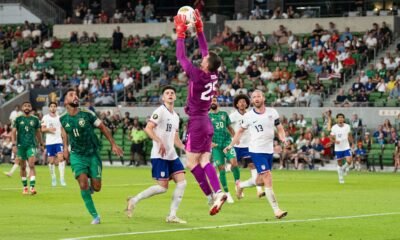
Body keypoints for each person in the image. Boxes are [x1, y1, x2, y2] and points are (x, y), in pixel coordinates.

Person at [175, 10, 227, 216]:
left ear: (206, 66)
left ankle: (212, 194)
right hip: (206, 121)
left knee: (191, 163)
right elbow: (205, 51)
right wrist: (199, 31)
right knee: (204, 161)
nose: (202, 59)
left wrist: (180, 34)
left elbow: (181, 56)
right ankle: (216, 193)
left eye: (204, 60)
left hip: (197, 122)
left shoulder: (197, 74)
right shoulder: (214, 75)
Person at [60, 88, 123, 224]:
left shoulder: (87, 114)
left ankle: (91, 184)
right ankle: (95, 216)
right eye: (71, 95)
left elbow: (102, 128)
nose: (75, 96)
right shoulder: (63, 118)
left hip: (92, 154)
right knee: (82, 184)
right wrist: (65, 148)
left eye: (76, 94)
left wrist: (113, 144)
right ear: (66, 101)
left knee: (97, 187)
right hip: (77, 155)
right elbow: (64, 131)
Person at [126, 86, 187, 223]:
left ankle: (172, 215)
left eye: (172, 93)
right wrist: (159, 141)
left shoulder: (176, 116)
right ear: (163, 98)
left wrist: (185, 148)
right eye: (167, 93)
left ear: (175, 97)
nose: (170, 94)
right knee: (162, 188)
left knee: (182, 183)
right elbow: (148, 128)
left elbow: (175, 138)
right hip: (159, 155)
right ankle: (134, 200)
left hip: (172, 155)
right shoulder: (160, 111)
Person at [224, 90, 288, 219]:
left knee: (259, 181)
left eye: (259, 96)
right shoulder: (248, 116)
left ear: (263, 98)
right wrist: (231, 145)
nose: (256, 98)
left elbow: (279, 127)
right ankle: (276, 210)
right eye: (254, 97)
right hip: (256, 150)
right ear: (252, 101)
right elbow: (239, 131)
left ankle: (240, 185)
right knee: (267, 177)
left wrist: (283, 138)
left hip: (268, 150)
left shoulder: (272, 112)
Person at [229, 94, 265, 198]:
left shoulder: (251, 114)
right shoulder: (233, 115)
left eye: (244, 101)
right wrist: (233, 137)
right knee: (234, 165)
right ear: (236, 104)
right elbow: (227, 125)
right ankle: (237, 184)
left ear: (247, 104)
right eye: (240, 102)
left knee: (252, 165)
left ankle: (259, 190)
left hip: (248, 145)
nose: (242, 103)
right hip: (236, 145)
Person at [209, 96, 240, 203]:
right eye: (211, 101)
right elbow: (203, 132)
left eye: (214, 100)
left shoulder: (224, 114)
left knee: (234, 163)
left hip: (227, 143)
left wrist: (235, 138)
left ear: (217, 102)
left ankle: (238, 185)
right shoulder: (206, 116)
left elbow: (229, 128)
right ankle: (227, 193)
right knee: (221, 168)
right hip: (216, 146)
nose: (213, 102)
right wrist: (209, 143)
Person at [11, 102, 43, 195]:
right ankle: (25, 187)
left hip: (31, 145)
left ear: (31, 108)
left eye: (29, 106)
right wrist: (13, 145)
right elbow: (13, 132)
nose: (27, 107)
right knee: (23, 167)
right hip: (21, 146)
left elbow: (38, 132)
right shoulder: (17, 119)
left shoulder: (35, 119)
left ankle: (32, 188)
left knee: (32, 164)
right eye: (25, 106)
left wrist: (41, 142)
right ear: (22, 108)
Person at [41, 102, 66, 186]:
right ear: (49, 108)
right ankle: (53, 178)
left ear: (56, 108)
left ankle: (62, 179)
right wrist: (49, 129)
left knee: (61, 158)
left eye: (54, 106)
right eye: (51, 106)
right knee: (51, 161)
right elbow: (42, 129)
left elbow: (62, 130)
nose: (53, 108)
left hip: (58, 141)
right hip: (49, 142)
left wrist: (64, 139)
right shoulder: (45, 117)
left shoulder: (60, 118)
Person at [330, 113, 353, 184]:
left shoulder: (347, 126)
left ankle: (343, 169)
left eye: (342, 117)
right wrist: (335, 141)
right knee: (339, 163)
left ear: (344, 119)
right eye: (339, 117)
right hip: (338, 148)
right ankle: (341, 178)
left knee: (349, 161)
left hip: (346, 146)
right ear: (337, 119)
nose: (340, 119)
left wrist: (352, 143)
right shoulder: (334, 127)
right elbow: (331, 138)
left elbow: (349, 135)